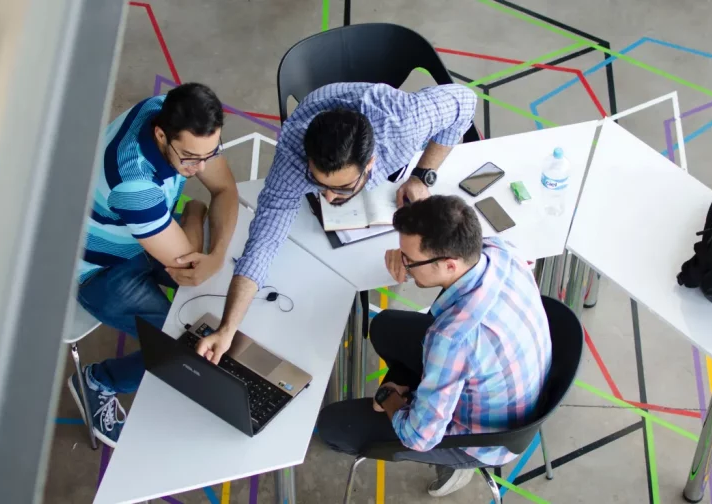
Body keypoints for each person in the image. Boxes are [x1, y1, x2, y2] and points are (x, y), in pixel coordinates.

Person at [195, 82, 478, 364]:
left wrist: (423, 174)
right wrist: (228, 328)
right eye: (319, 184)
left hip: (383, 114)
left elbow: (466, 101)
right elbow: (263, 242)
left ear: (370, 164)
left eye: (342, 189)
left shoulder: (404, 124)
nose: (329, 198)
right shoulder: (292, 155)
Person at [316, 195, 553, 497]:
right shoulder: (499, 251)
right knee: (385, 326)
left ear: (449, 264)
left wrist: (390, 396)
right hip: (514, 385)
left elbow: (418, 437)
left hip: (483, 438)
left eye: (409, 261)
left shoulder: (452, 338)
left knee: (333, 425)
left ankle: (456, 466)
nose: (405, 265)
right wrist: (403, 254)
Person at [68, 83, 239, 447]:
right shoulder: (134, 184)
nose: (201, 167)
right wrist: (195, 211)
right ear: (161, 135)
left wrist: (218, 252)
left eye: (211, 153)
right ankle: (99, 381)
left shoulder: (170, 111)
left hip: (144, 235)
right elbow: (189, 269)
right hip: (100, 271)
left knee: (216, 294)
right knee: (180, 345)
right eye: (191, 158)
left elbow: (225, 189)